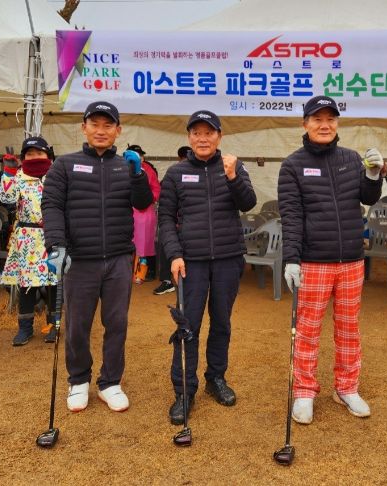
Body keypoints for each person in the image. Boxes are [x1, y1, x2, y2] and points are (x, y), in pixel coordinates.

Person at [277, 95, 385, 425]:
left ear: (337, 123)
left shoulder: (351, 159)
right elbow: (291, 216)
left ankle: (346, 387)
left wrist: (373, 175)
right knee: (307, 330)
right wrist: (291, 258)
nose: (325, 125)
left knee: (349, 329)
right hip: (313, 261)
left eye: (331, 119)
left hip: (351, 260)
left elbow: (368, 197)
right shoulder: (292, 165)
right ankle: (304, 390)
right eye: (317, 119)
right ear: (305, 124)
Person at [42, 101, 153, 413]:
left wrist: (138, 174)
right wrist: (56, 244)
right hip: (80, 260)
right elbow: (51, 205)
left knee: (116, 323)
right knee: (78, 325)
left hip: (118, 258)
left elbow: (143, 203)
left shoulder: (125, 166)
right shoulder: (64, 165)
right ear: (84, 128)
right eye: (95, 124)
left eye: (108, 125)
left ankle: (110, 382)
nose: (101, 131)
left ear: (118, 130)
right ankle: (78, 380)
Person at [159, 110, 256, 425]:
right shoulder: (176, 173)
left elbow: (248, 202)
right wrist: (174, 254)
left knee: (222, 322)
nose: (203, 139)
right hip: (191, 262)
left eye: (209, 133)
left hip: (229, 258)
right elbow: (165, 219)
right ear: (189, 137)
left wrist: (233, 176)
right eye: (197, 133)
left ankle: (216, 378)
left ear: (219, 136)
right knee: (188, 326)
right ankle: (184, 391)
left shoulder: (233, 166)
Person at [0, 137, 58, 346]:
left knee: (53, 283)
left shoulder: (56, 175)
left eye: (39, 153)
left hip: (53, 235)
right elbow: (6, 198)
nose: (35, 157)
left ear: (48, 155)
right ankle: (25, 328)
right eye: (30, 154)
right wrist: (8, 173)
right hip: (27, 238)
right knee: (27, 285)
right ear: (23, 158)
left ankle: (54, 326)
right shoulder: (19, 177)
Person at [153, 145, 191, 296]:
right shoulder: (174, 172)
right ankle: (167, 281)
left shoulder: (199, 171)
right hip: (175, 223)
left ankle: (170, 281)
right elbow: (165, 198)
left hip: (187, 226)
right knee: (167, 247)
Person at [127, 144, 161, 284]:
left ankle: (145, 272)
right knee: (127, 241)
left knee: (145, 243)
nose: (139, 157)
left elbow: (156, 188)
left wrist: (149, 199)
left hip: (145, 210)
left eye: (140, 155)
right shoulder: (120, 168)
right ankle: (128, 272)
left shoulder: (148, 169)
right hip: (127, 210)